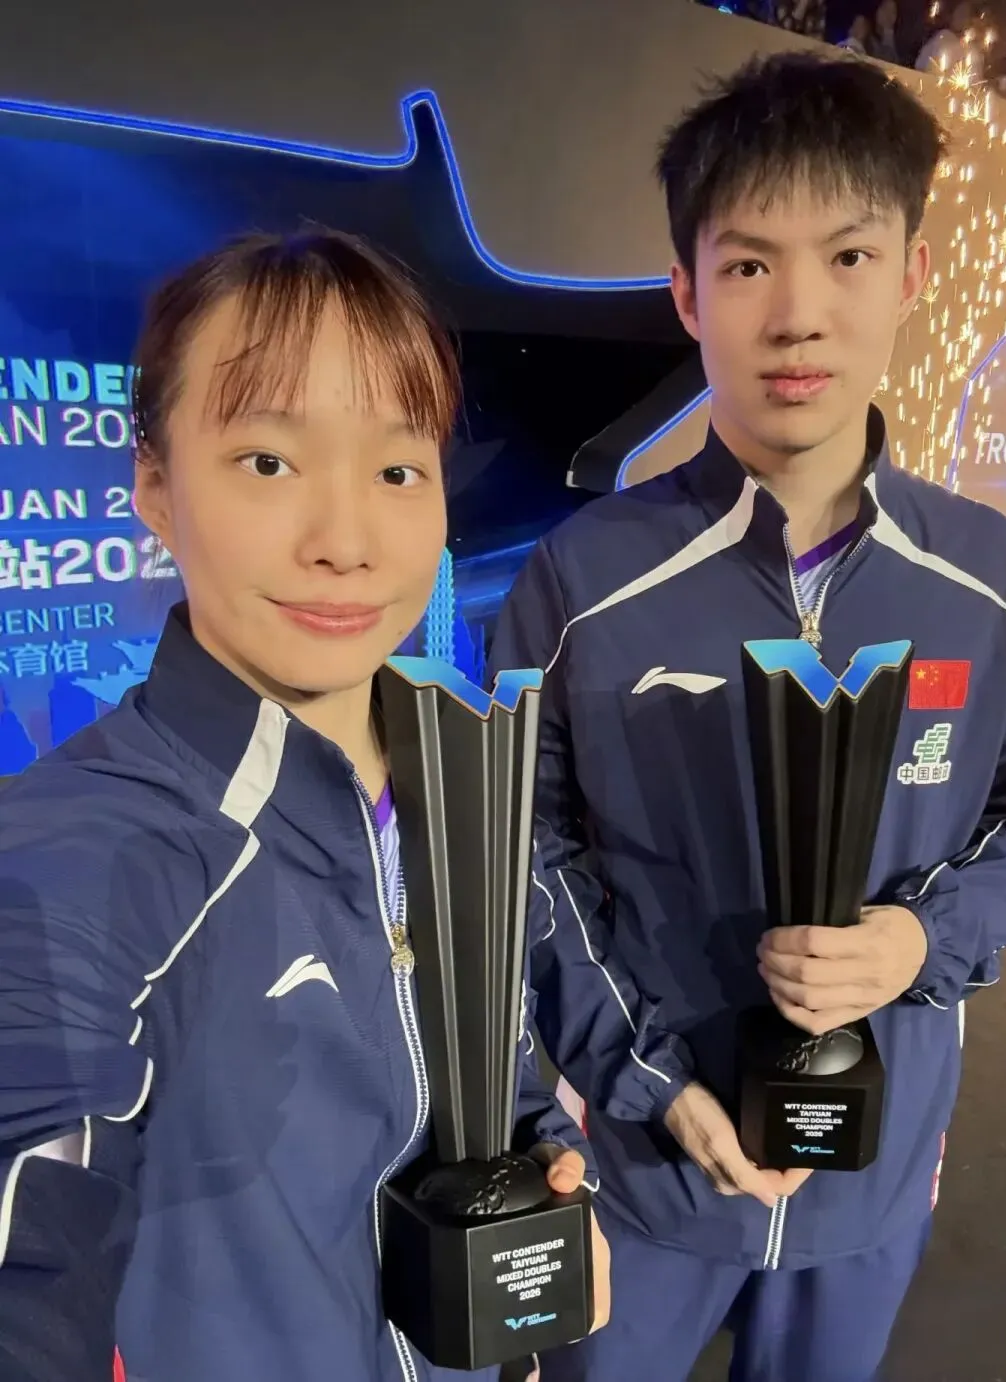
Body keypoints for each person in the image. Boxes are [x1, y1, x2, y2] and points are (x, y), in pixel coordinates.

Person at [489, 52, 1006, 1382]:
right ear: (687, 292)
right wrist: (646, 1082)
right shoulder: (582, 582)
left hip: (873, 1174)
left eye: (848, 257)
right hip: (647, 1163)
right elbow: (521, 853)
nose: (799, 315)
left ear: (913, 275)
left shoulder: (990, 579)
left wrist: (921, 937)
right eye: (750, 264)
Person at [0, 229, 614, 1382]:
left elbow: (493, 1050)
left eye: (397, 470)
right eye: (269, 461)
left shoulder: (462, 773)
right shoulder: (76, 851)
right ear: (154, 486)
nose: (346, 543)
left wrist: (536, 1152)